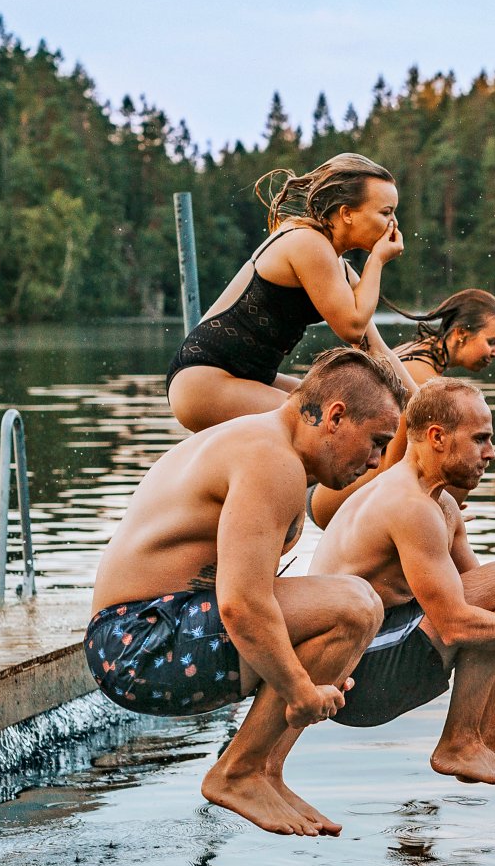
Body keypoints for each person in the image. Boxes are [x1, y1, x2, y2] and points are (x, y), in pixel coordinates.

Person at [86, 348, 408, 836]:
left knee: (341, 613)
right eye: (377, 442)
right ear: (336, 417)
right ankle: (238, 772)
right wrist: (299, 689)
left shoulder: (263, 440)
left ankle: (262, 771)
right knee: (356, 605)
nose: (377, 460)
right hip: (138, 646)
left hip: (141, 637)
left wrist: (314, 662)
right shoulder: (270, 461)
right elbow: (241, 604)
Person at [309, 376, 495, 786]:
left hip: (385, 650)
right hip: (353, 680)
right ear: (437, 437)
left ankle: (483, 739)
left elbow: (489, 604)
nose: (492, 453)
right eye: (481, 439)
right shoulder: (408, 506)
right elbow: (456, 624)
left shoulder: (440, 502)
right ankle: (460, 743)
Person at [167, 152, 407, 434]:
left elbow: (375, 350)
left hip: (250, 379)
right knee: (323, 428)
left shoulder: (338, 267)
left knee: (347, 415)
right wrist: (377, 260)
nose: (394, 225)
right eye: (386, 212)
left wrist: (425, 407)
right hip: (204, 382)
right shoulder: (306, 241)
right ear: (347, 214)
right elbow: (352, 328)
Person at [308, 288, 495, 529]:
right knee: (460, 451)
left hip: (325, 479)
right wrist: (437, 511)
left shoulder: (413, 354)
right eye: (492, 342)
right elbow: (393, 471)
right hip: (332, 495)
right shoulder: (423, 382)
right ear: (461, 334)